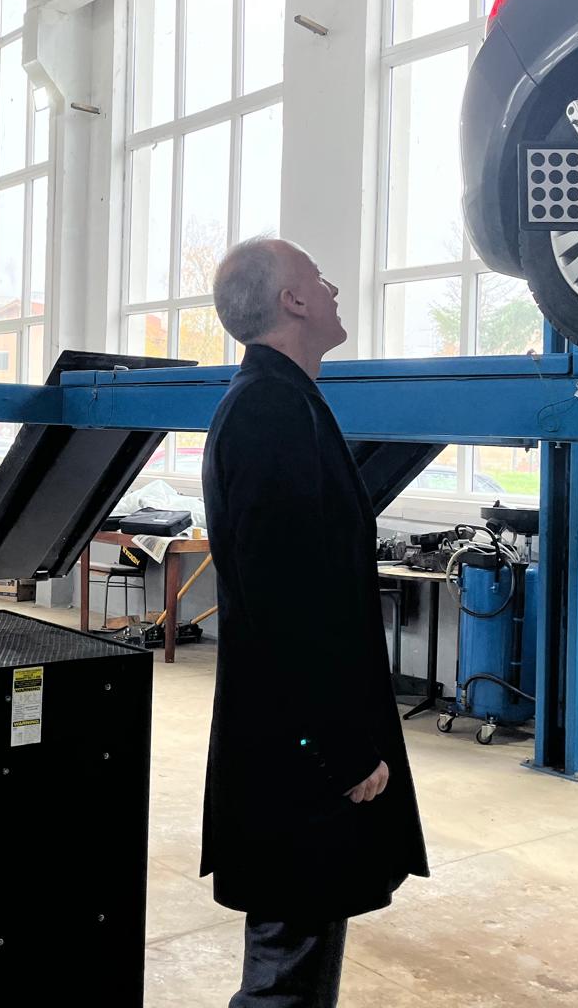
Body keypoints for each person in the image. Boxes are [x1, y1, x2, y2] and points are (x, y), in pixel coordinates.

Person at [201, 237, 429, 1007]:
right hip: (294, 761)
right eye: (319, 279)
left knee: (296, 962)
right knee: (286, 976)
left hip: (295, 747)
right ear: (292, 301)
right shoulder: (269, 411)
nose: (334, 288)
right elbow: (286, 601)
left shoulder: (285, 402)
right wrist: (340, 746)